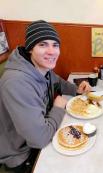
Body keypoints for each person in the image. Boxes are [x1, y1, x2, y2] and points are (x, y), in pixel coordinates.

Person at [0, 20, 91, 173]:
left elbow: (57, 82)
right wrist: (58, 108)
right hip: (21, 155)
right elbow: (39, 139)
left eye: (55, 45)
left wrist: (77, 90)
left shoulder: (38, 67)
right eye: (42, 44)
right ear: (30, 49)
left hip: (40, 134)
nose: (51, 51)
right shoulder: (17, 83)